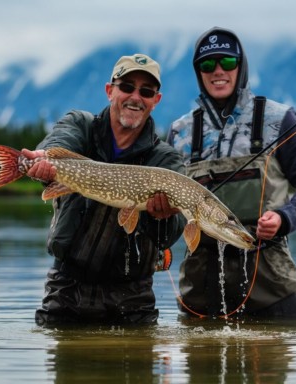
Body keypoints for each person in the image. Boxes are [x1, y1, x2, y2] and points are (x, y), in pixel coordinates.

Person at [167, 27, 296, 319]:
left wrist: (285, 218)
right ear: (198, 73)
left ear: (240, 67)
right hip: (201, 292)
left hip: (272, 286)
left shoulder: (279, 119)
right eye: (207, 65)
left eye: (227, 62)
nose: (218, 71)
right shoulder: (179, 132)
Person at [24, 53, 185, 326]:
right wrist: (45, 160)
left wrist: (165, 216)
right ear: (110, 91)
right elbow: (60, 142)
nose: (136, 97)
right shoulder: (80, 125)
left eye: (146, 91)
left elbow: (168, 236)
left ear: (155, 101)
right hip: (67, 288)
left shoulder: (166, 160)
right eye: (126, 87)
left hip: (132, 297)